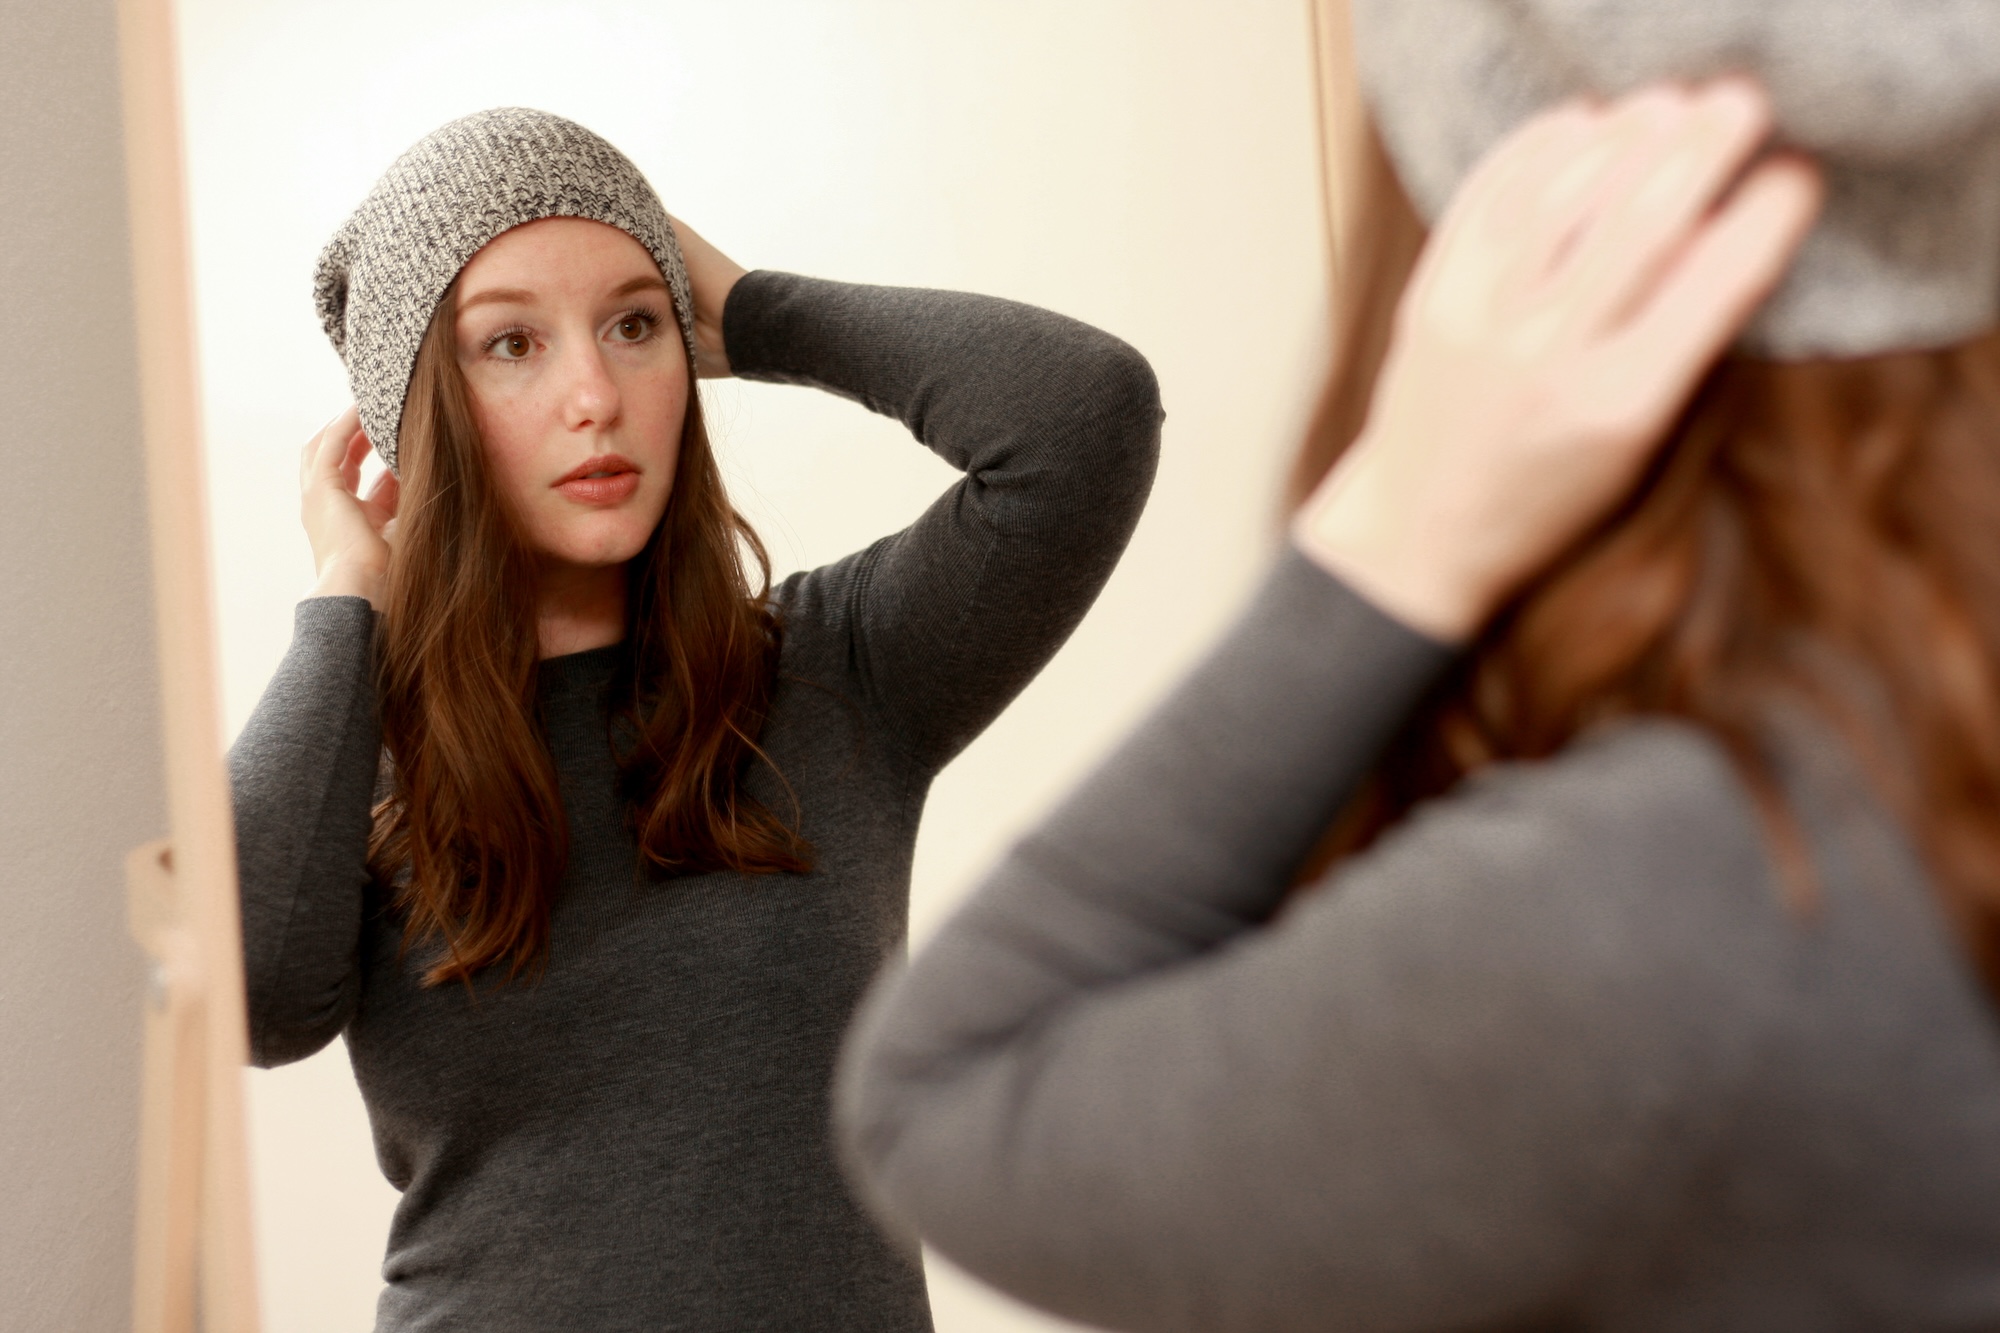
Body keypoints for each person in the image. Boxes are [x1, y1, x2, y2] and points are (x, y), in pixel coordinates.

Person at [833, 4, 2000, 1328]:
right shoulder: (1884, 797)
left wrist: (1408, 523)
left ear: (1530, 265)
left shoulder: (1699, 893)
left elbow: (952, 1096)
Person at [227, 107, 1160, 1331]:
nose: (593, 395)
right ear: (419, 411)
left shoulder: (835, 676)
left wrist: (755, 310)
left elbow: (1083, 422)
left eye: (634, 323)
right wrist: (344, 601)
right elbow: (247, 999)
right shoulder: (360, 742)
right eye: (509, 342)